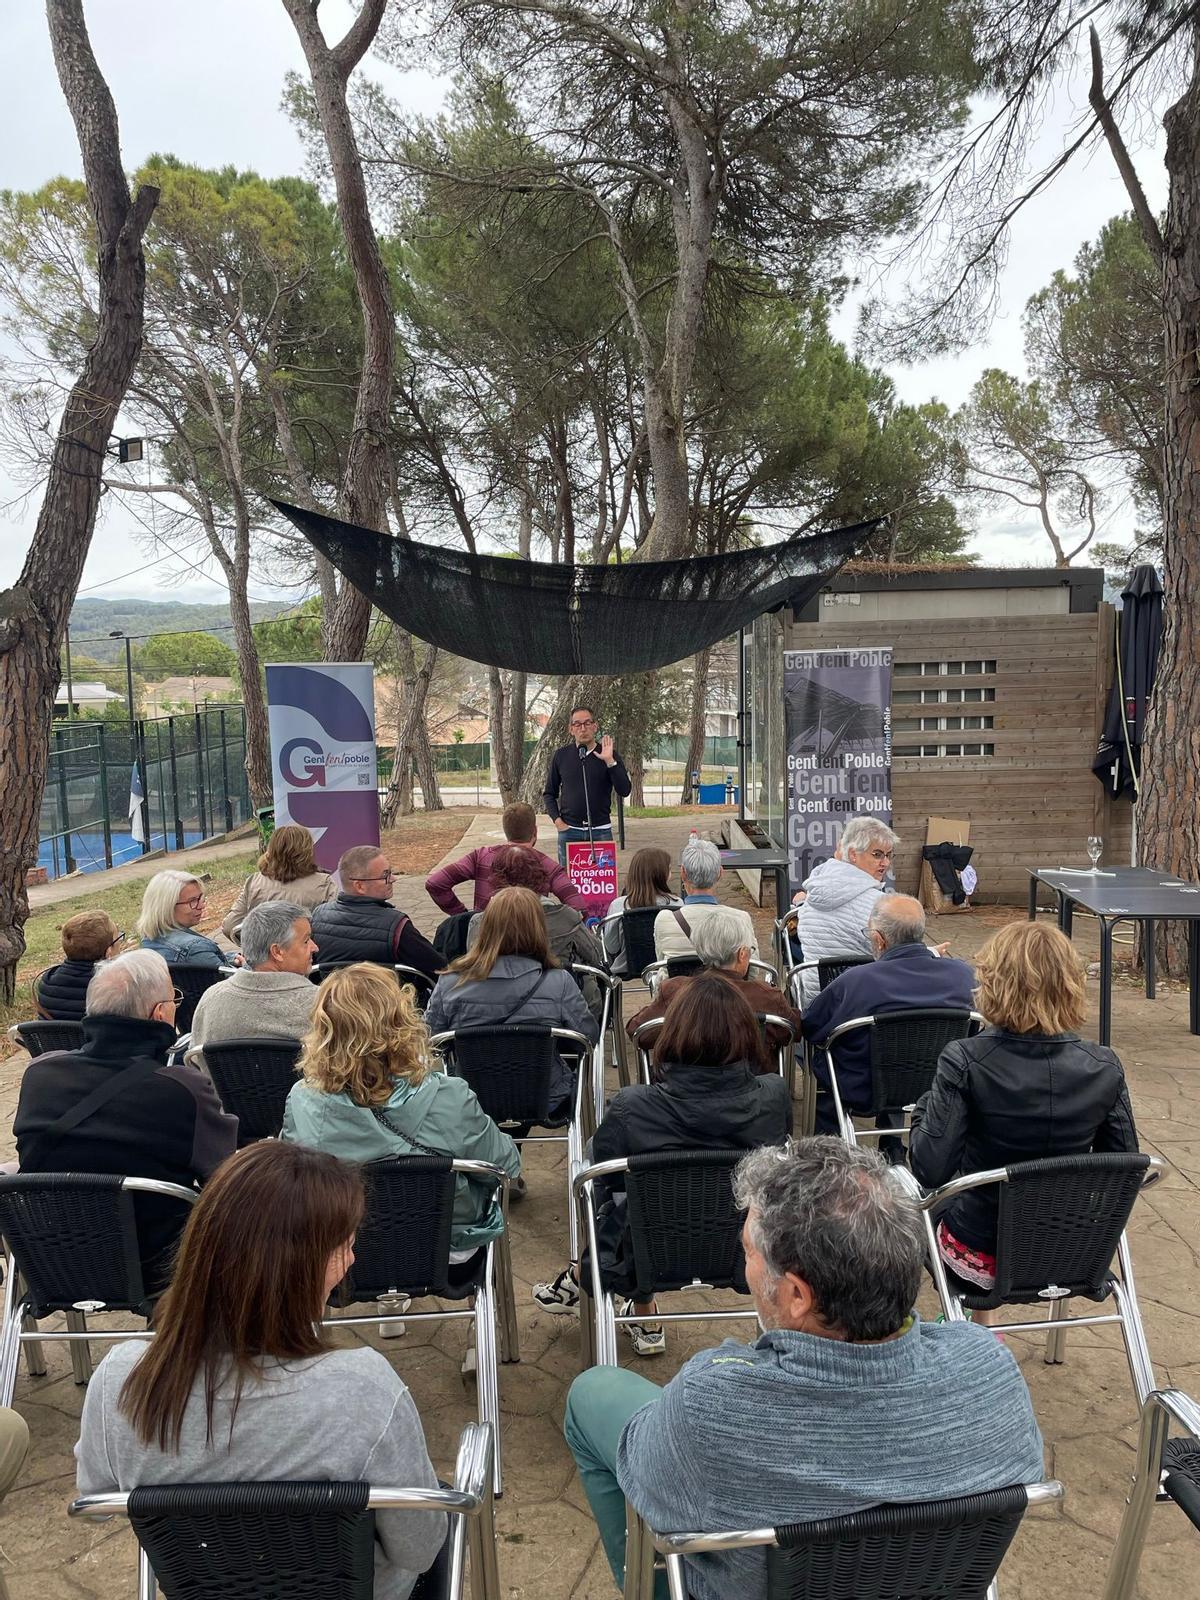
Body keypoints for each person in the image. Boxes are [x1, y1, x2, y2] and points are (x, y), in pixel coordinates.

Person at [564, 1138, 1045, 1600]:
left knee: (592, 1393)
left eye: (749, 1252)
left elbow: (649, 1481)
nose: (747, 1266)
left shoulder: (712, 1407)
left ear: (797, 1295)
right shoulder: (992, 1374)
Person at [75, 1142, 446, 1600]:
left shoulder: (122, 1380)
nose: (352, 1260)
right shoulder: (364, 1391)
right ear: (298, 1269)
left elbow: (94, 1503)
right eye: (345, 1246)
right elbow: (419, 1549)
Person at [534, 975, 791, 1355]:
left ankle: (596, 1282)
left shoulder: (633, 1106)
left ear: (674, 1033)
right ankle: (637, 1311)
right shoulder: (774, 1096)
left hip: (642, 1257)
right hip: (746, 1253)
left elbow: (605, 1182)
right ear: (746, 1035)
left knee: (607, 1177)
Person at [909, 921, 1138, 1317]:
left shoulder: (964, 1059)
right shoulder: (1104, 1064)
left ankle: (974, 1332)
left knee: (918, 1202)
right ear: (1070, 983)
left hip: (981, 1255)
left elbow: (930, 1169)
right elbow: (1123, 1169)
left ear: (993, 982)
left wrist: (923, 1110)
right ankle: (987, 1329)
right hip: (1074, 1251)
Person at [14, 950, 237, 1291]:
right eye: (174, 999)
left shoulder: (39, 1074)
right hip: (157, 1265)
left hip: (53, 1258)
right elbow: (223, 1176)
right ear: (160, 1013)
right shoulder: (182, 1089)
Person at [281, 963, 522, 1258]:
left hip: (343, 1253)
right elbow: (506, 1167)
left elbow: (293, 1181)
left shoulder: (302, 1101)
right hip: (445, 1249)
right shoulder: (450, 1096)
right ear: (402, 1023)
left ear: (324, 1031)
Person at [802, 895, 975, 1132]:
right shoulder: (963, 976)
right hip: (944, 1084)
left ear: (878, 939)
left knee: (825, 1054)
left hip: (864, 1090)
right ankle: (892, 1144)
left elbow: (811, 1025)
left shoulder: (855, 982)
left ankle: (829, 1142)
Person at [424, 887, 599, 1120]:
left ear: (485, 926)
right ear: (538, 927)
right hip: (547, 1096)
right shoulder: (559, 982)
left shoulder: (451, 982)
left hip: (469, 1097)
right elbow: (587, 1038)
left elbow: (430, 1039)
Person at [627, 905, 801, 1059]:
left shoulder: (674, 990)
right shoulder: (766, 996)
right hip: (750, 1081)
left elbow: (638, 1031)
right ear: (742, 955)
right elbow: (793, 1031)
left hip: (687, 1082)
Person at [466, 845, 607, 1018]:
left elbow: (474, 966)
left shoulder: (479, 922)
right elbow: (596, 955)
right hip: (560, 1011)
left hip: (495, 1014)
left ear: (496, 879)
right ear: (538, 874)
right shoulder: (566, 917)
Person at [186, 902, 319, 1072]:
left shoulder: (210, 1000)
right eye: (306, 941)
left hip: (224, 1089)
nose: (315, 947)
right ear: (277, 952)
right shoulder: (321, 1005)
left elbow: (196, 1063)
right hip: (303, 1088)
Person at [792, 816, 898, 1002]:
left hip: (815, 1003)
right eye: (877, 854)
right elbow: (901, 961)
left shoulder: (814, 893)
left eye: (888, 855)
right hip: (863, 1006)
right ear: (853, 854)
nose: (886, 863)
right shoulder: (880, 905)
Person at [424, 800, 589, 917]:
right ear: (535, 831)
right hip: (532, 944)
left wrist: (464, 916)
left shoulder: (481, 856)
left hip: (485, 943)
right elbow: (579, 908)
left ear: (506, 831)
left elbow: (435, 883)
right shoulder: (547, 865)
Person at [309, 845, 441, 979]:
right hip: (387, 992)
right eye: (385, 875)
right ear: (359, 886)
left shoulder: (318, 916)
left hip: (331, 991)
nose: (393, 879)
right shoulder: (397, 926)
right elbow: (439, 969)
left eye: (391, 872)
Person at [543, 704, 631, 867]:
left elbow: (624, 790)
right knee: (567, 880)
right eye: (577, 724)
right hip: (569, 831)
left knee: (602, 879)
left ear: (595, 726)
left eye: (587, 723)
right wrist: (558, 821)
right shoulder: (561, 756)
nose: (583, 728)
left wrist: (610, 762)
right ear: (571, 729)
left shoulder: (608, 754)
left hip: (601, 831)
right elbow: (549, 793)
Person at [220, 824, 335, 945]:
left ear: (271, 849)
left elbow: (230, 926)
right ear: (308, 850)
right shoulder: (324, 884)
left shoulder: (254, 882)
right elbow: (335, 927)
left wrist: (254, 946)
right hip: (309, 951)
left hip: (265, 952)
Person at [652, 837, 758, 962]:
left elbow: (661, 964)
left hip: (679, 976)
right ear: (720, 873)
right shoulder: (741, 919)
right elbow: (753, 966)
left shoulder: (664, 919)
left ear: (683, 873)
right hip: (724, 976)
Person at [601, 847, 680, 976]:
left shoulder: (618, 905)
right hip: (666, 969)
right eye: (669, 870)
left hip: (626, 971)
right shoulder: (676, 904)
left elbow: (612, 947)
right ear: (662, 874)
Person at [34, 910, 124, 1021]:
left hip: (54, 1033)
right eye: (118, 938)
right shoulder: (116, 987)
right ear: (108, 952)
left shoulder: (47, 980)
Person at [136, 869, 235, 969]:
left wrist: (228, 959)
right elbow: (233, 979)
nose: (201, 906)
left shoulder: (148, 940)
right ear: (167, 908)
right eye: (192, 901)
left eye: (200, 898)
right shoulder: (196, 948)